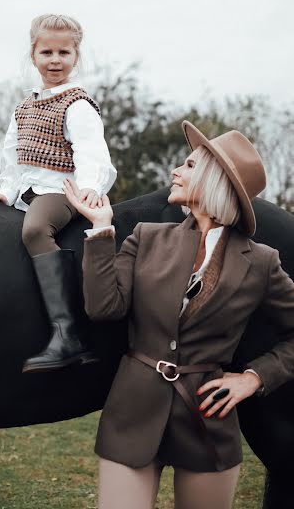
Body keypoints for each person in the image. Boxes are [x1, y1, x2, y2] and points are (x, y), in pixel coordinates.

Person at [63, 120, 294, 509]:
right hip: (132, 415)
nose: (175, 171)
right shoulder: (145, 236)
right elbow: (104, 308)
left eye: (188, 165)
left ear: (216, 180)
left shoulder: (261, 262)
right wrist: (102, 231)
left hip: (207, 422)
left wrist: (254, 378)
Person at [0, 14, 116, 373]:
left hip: (62, 190)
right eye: (47, 52)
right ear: (33, 55)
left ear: (76, 57)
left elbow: (92, 152)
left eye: (64, 52)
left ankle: (68, 333)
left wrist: (87, 190)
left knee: (35, 230)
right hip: (30, 191)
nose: (55, 60)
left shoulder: (77, 103)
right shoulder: (24, 107)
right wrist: (6, 193)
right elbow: (13, 158)